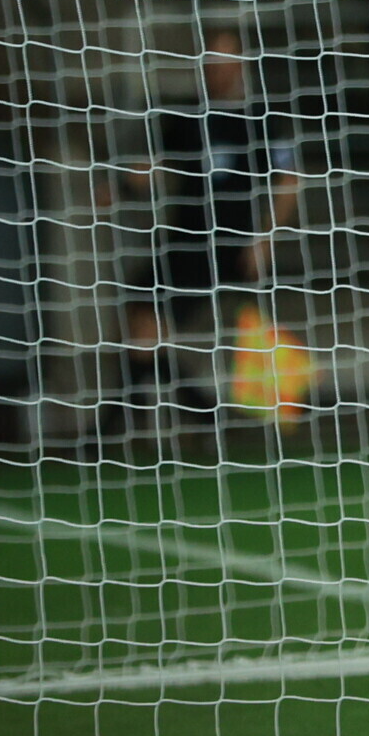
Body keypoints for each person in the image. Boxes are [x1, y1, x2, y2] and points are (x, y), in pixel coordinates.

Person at [120, 27, 299, 434]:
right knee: (139, 322)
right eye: (212, 60)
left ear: (242, 64)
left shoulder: (261, 119)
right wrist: (120, 185)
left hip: (230, 244)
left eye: (226, 59)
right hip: (187, 238)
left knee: (147, 328)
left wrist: (264, 238)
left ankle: (131, 422)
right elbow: (156, 164)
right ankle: (200, 414)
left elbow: (289, 180)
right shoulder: (188, 118)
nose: (218, 68)